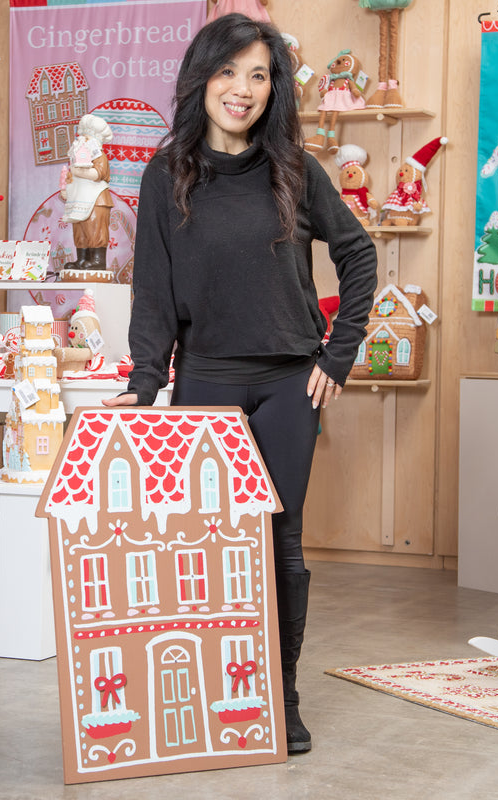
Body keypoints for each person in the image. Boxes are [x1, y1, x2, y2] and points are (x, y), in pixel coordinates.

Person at [103, 12, 378, 754]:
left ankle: (278, 699)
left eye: (259, 75)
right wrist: (143, 378)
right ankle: (210, 695)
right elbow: (153, 290)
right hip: (207, 386)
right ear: (203, 78)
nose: (243, 89)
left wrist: (336, 357)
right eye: (230, 72)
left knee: (281, 545)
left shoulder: (295, 167)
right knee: (210, 550)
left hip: (291, 385)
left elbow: (358, 256)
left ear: (273, 88)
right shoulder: (167, 174)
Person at [59, 113, 114, 270]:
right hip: (79, 199)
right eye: (81, 135)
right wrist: (66, 189)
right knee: (80, 229)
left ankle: (97, 260)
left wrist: (78, 172)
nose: (82, 139)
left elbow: (98, 174)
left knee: (94, 228)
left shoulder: (99, 156)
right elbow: (70, 178)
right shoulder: (76, 159)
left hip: (96, 199)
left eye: (86, 136)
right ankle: (82, 259)